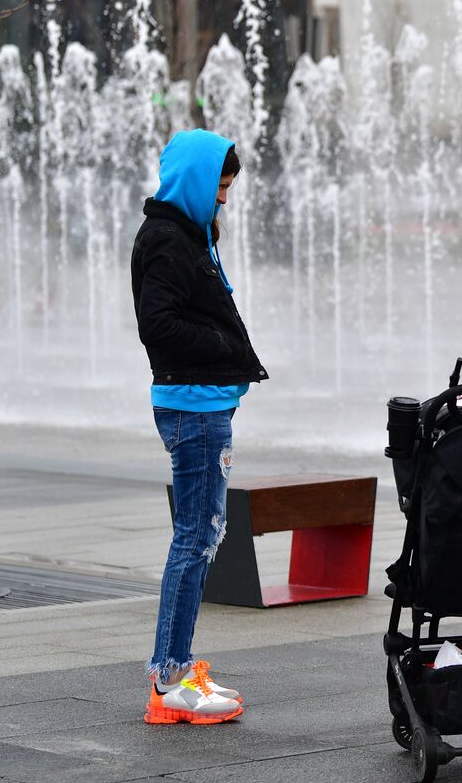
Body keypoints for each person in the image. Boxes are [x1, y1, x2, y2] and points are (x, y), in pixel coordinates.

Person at [131, 129, 269, 724]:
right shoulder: (167, 240)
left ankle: (178, 670)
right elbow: (156, 325)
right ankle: (170, 678)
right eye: (219, 188)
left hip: (205, 404)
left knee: (201, 535)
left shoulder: (188, 233)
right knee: (194, 536)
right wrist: (220, 346)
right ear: (194, 182)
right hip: (193, 407)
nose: (225, 199)